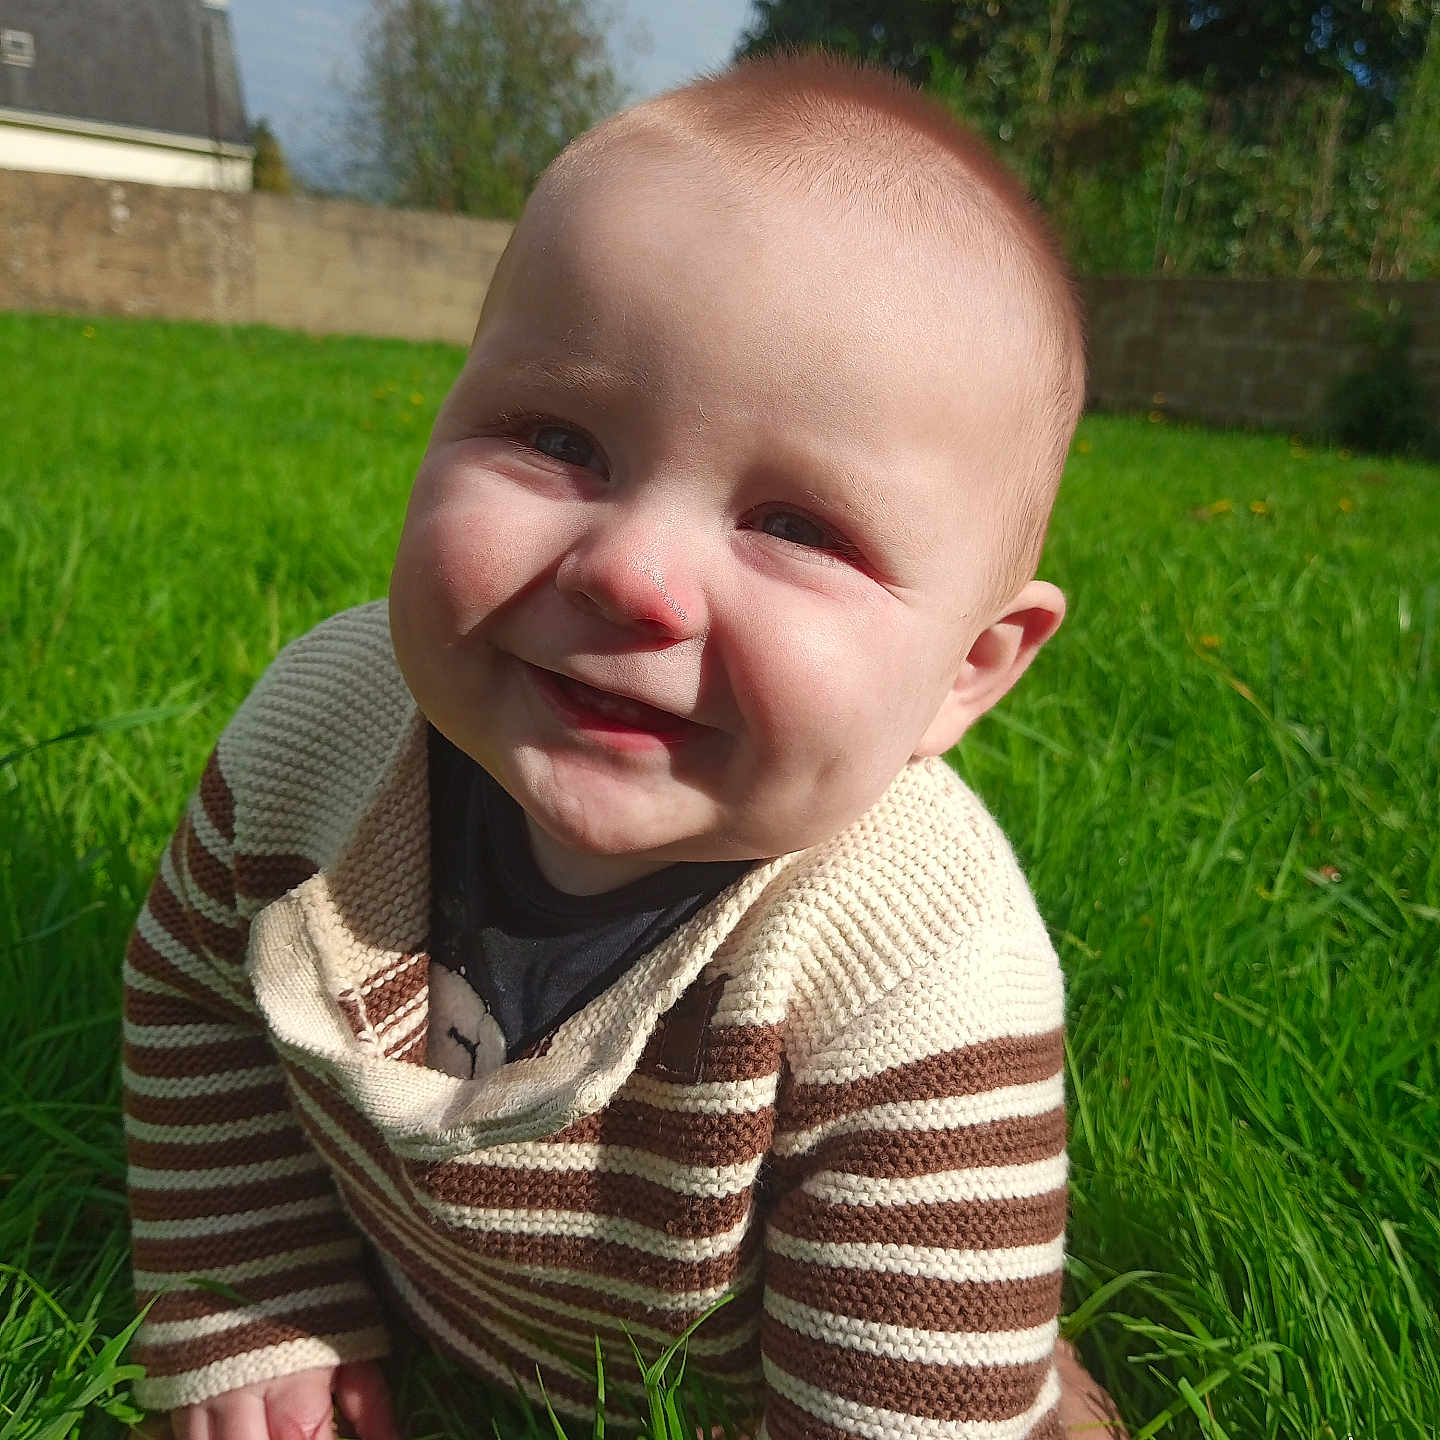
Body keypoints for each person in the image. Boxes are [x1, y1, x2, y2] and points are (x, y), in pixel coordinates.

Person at [122, 52, 1126, 1440]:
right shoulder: (320, 734)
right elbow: (196, 1003)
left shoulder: (916, 972)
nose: (633, 574)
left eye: (797, 527)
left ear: (968, 668)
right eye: (559, 437)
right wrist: (251, 1292)